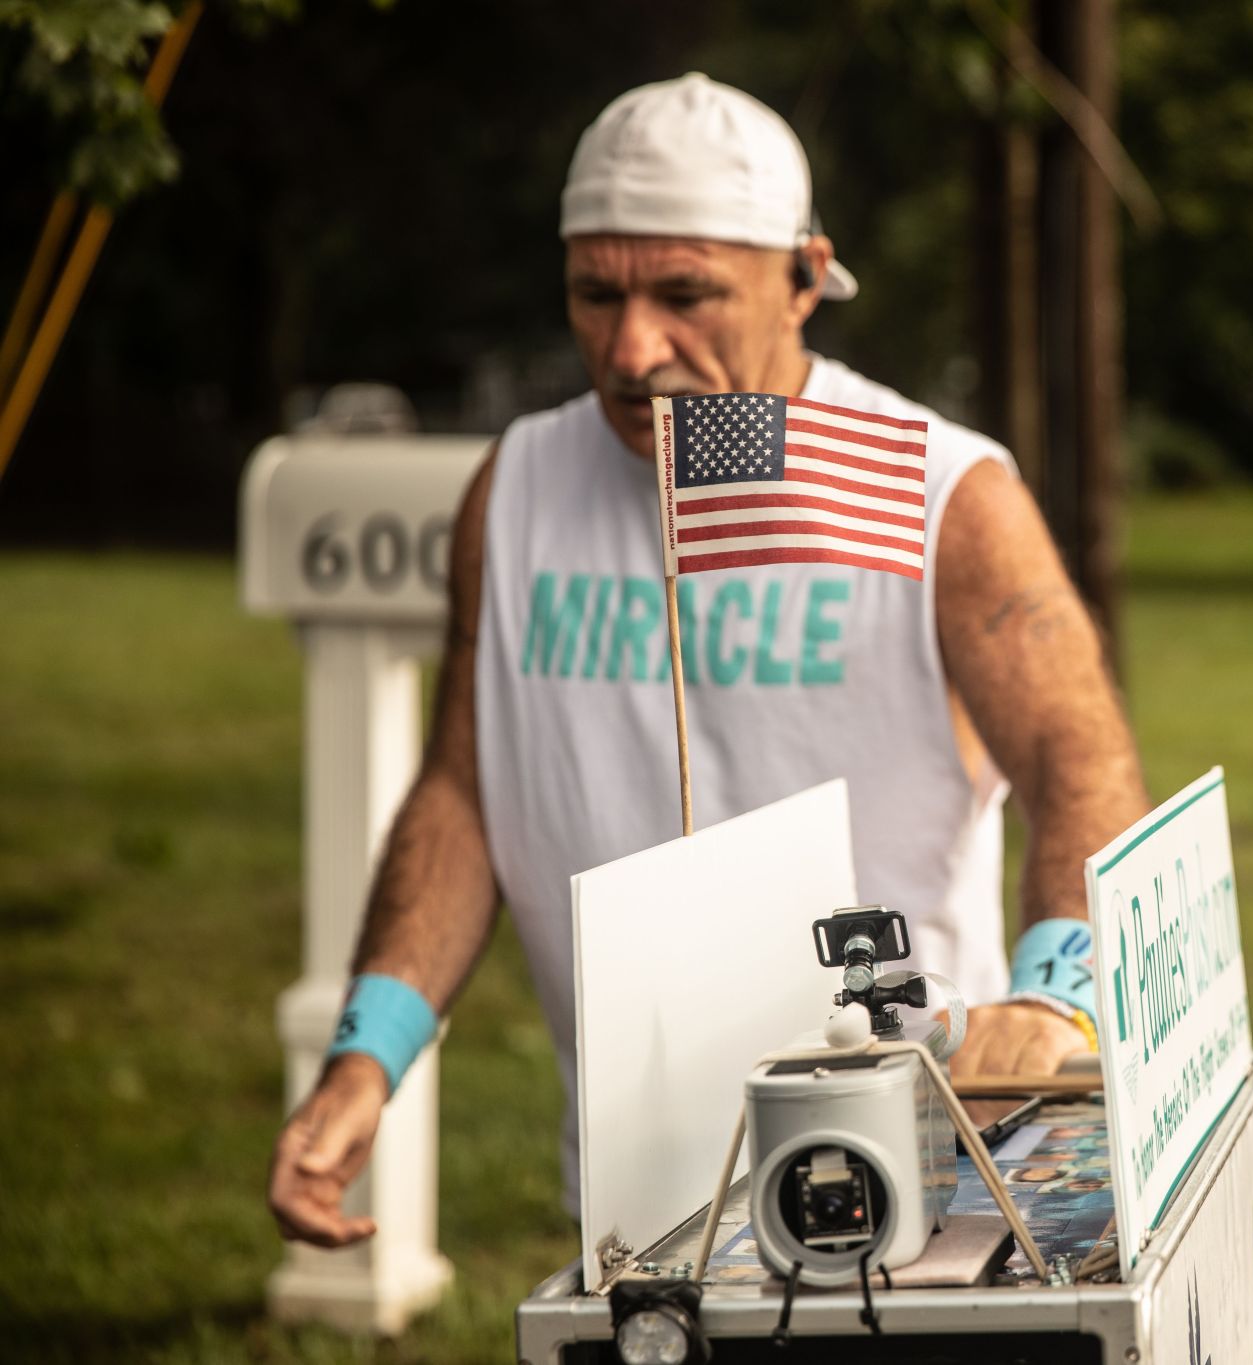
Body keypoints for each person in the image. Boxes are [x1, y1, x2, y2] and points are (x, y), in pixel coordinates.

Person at [268, 73, 1150, 1248]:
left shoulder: (942, 494)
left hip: (914, 1172)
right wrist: (365, 1054)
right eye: (596, 294)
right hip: (640, 1199)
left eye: (685, 294)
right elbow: (468, 794)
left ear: (801, 278)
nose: (633, 348)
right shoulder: (517, 487)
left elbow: (1076, 760)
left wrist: (1057, 1001)